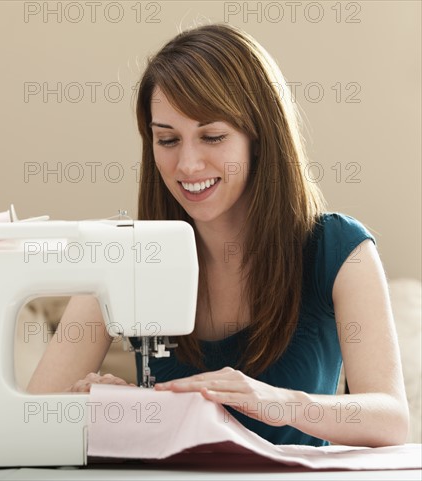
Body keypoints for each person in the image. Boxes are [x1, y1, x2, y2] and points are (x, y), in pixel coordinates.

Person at [27, 23, 409, 447]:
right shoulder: (125, 257)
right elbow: (31, 422)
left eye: (212, 136)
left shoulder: (338, 251)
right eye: (167, 140)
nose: (187, 165)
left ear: (259, 138)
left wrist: (274, 401)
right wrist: (99, 412)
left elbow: (390, 420)